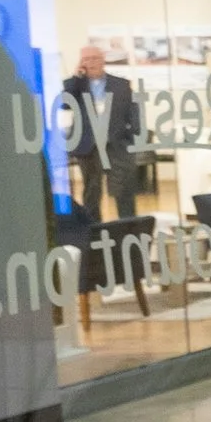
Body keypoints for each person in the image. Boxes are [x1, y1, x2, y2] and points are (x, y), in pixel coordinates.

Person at [60, 39, 151, 329]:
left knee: (123, 192)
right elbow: (63, 102)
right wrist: (76, 76)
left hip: (117, 146)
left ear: (103, 61)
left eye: (94, 60)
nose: (90, 64)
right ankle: (95, 241)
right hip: (89, 148)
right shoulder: (75, 85)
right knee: (92, 194)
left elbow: (134, 113)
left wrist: (134, 135)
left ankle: (131, 240)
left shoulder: (121, 85)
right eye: (85, 60)